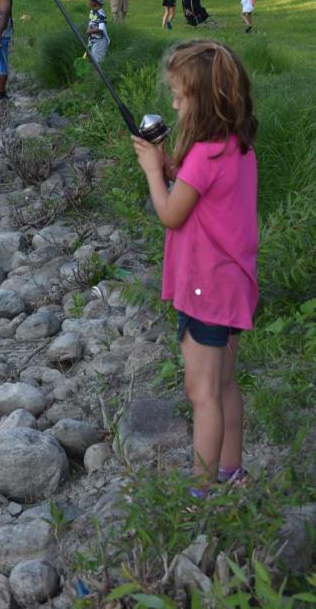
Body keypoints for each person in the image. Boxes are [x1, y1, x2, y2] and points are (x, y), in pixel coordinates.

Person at [131, 41, 258, 496]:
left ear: (203, 102)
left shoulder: (205, 156)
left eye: (180, 97)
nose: (174, 103)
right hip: (231, 284)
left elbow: (171, 212)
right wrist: (169, 165)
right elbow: (198, 191)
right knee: (224, 384)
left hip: (206, 288)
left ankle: (202, 492)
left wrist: (152, 169)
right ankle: (231, 471)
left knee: (201, 392)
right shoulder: (236, 147)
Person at [84, 0, 110, 64]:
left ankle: (98, 76)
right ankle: (94, 75)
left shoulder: (100, 13)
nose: (87, 0)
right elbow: (91, 23)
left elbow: (101, 28)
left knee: (97, 63)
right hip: (94, 41)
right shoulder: (92, 12)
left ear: (94, 1)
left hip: (100, 42)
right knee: (93, 61)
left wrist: (90, 31)